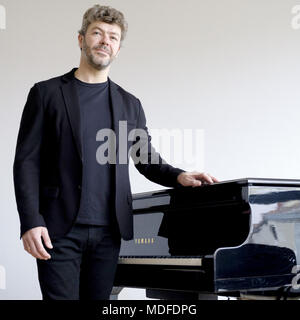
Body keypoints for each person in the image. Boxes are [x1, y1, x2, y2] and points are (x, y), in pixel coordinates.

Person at [13, 4, 218, 300]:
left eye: (112, 37)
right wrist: (30, 221)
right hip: (58, 230)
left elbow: (146, 160)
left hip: (110, 232)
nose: (105, 41)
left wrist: (180, 176)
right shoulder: (46, 94)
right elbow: (26, 163)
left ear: (118, 49)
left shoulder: (130, 103)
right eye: (97, 33)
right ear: (81, 39)